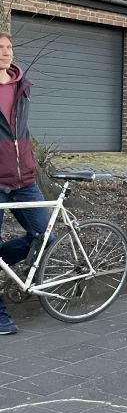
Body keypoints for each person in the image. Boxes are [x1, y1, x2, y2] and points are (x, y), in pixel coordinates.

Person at [0, 31, 51, 336]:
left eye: (8, 47)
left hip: (25, 179)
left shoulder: (22, 86)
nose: (5, 52)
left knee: (45, 237)